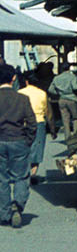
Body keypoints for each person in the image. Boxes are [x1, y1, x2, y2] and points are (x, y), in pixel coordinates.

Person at [0, 61, 37, 228]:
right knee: (21, 176)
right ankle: (18, 204)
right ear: (14, 78)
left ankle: (5, 212)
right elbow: (32, 123)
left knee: (2, 179)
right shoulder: (22, 99)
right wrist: (27, 140)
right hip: (18, 140)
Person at [18, 72, 50, 182]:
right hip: (38, 122)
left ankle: (24, 173)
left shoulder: (20, 93)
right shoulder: (42, 93)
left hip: (23, 123)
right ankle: (33, 174)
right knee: (37, 148)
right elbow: (46, 110)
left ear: (26, 81)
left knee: (24, 147)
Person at [48, 63, 77, 142]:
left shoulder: (56, 78)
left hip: (61, 99)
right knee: (75, 118)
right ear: (69, 68)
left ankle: (67, 137)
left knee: (65, 120)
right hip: (72, 98)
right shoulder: (72, 77)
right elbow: (75, 87)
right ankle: (75, 136)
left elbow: (50, 89)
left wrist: (58, 93)